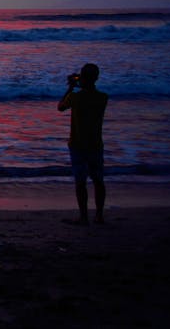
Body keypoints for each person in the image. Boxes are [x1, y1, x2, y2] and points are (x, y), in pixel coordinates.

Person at [58, 63, 109, 225]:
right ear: (97, 78)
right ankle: (99, 215)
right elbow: (90, 91)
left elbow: (60, 107)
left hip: (77, 145)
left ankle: (84, 217)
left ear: (83, 77)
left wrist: (71, 87)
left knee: (80, 183)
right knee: (98, 181)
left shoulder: (75, 97)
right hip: (96, 145)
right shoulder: (103, 98)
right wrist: (80, 83)